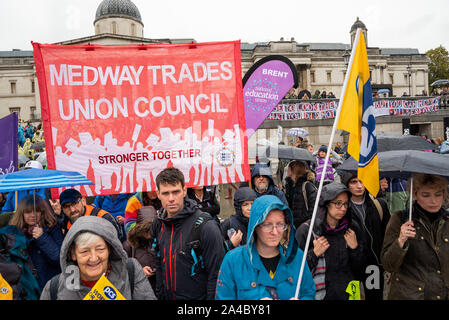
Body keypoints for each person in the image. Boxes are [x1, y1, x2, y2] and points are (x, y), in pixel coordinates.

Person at [215, 195, 316, 300]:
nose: (275, 232)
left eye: (280, 224)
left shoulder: (296, 256)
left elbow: (308, 294)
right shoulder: (233, 261)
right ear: (255, 226)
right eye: (267, 225)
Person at [150, 167, 224, 300]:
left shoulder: (206, 227)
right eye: (166, 193)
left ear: (184, 191)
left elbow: (216, 276)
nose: (171, 198)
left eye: (176, 192)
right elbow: (159, 264)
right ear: (158, 194)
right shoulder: (158, 224)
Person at [40, 216, 156, 300]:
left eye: (100, 249)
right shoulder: (53, 288)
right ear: (73, 254)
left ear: (109, 249)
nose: (94, 258)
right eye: (85, 251)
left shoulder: (131, 271)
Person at [381, 173, 449, 300]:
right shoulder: (400, 219)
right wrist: (400, 241)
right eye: (426, 195)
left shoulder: (447, 221)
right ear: (415, 194)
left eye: (438, 194)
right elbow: (388, 265)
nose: (433, 200)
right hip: (409, 295)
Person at [296, 182, 366, 300]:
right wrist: (314, 254)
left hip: (349, 294)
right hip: (320, 295)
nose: (343, 208)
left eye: (346, 204)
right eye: (338, 204)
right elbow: (295, 272)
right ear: (326, 204)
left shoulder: (352, 229)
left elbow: (361, 270)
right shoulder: (307, 231)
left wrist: (355, 249)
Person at [341, 172, 390, 300]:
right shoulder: (342, 210)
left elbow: (387, 234)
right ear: (347, 185)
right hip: (351, 267)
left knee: (374, 297)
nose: (359, 186)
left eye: (361, 181)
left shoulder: (379, 205)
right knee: (353, 298)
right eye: (354, 182)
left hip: (373, 266)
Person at [8, 194, 64, 290]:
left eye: (37, 211)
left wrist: (42, 238)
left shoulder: (53, 228)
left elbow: (60, 259)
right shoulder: (13, 233)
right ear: (22, 213)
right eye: (28, 212)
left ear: (42, 212)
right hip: (25, 289)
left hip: (49, 286)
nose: (32, 215)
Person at [59, 188, 123, 241]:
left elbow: (116, 241)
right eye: (66, 207)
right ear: (62, 209)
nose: (72, 210)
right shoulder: (64, 221)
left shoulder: (101, 216)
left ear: (83, 201)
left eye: (74, 203)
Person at [123, 205, 157, 292]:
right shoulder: (128, 246)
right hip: (139, 289)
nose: (149, 233)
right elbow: (122, 270)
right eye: (146, 230)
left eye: (152, 229)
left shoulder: (161, 240)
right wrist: (140, 271)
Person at [284, 160, 317, 228]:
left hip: (304, 226)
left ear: (294, 171)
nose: (287, 170)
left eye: (289, 168)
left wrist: (301, 220)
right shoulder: (290, 185)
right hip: (294, 225)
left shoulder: (307, 185)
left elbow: (314, 208)